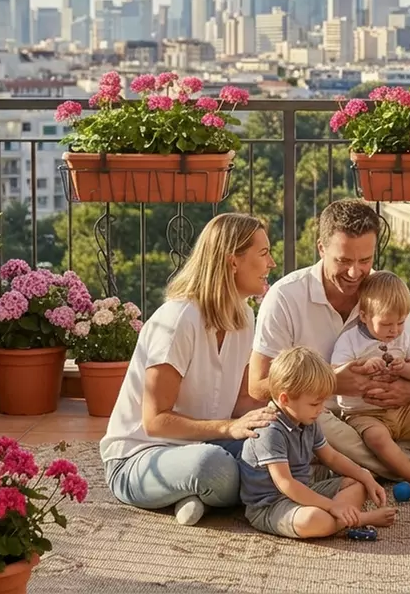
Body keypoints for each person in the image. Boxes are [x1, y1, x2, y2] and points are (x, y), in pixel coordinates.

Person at [250, 199, 410, 481]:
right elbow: (258, 387)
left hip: (390, 415)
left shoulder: (389, 293)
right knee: (318, 422)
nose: (354, 273)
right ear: (321, 248)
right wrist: (331, 382)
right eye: (344, 260)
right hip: (323, 415)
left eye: (365, 260)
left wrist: (405, 390)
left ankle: (355, 465)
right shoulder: (285, 297)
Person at [100, 213, 278, 525]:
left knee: (283, 444)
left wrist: (288, 410)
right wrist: (227, 428)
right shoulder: (178, 319)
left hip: (204, 444)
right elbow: (155, 421)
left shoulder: (244, 318)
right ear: (232, 261)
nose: (271, 263)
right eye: (263, 254)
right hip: (139, 458)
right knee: (212, 468)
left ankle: (201, 497)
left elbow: (242, 403)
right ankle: (216, 487)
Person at [241, 346, 397, 538]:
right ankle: (361, 519)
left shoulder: (307, 419)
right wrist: (332, 506)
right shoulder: (270, 430)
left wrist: (365, 476)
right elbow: (286, 484)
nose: (320, 409)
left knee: (357, 484)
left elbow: (331, 457)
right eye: (315, 404)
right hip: (272, 505)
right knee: (313, 521)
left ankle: (341, 516)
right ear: (285, 399)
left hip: (306, 489)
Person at [331, 271, 410, 491]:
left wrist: (405, 367)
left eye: (400, 322)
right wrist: (363, 367)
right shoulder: (350, 340)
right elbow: (334, 374)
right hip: (364, 414)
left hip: (402, 410)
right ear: (364, 316)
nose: (395, 330)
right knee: (378, 438)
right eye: (387, 324)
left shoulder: (403, 337)